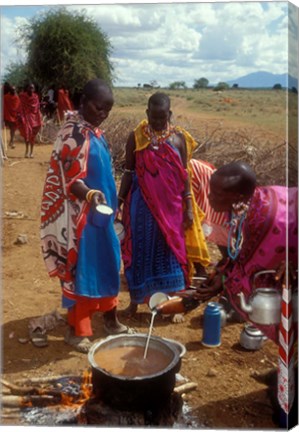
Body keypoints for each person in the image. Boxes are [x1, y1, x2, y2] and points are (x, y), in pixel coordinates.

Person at [194, 161, 298, 428]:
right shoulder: (241, 209)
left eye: (217, 194)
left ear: (240, 195)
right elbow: (238, 251)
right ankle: (287, 373)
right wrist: (222, 275)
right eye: (211, 190)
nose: (210, 198)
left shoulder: (274, 218)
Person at [40, 78, 130, 353]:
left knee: (109, 263)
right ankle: (76, 330)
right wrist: (91, 195)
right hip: (79, 220)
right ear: (82, 102)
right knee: (82, 271)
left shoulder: (94, 132)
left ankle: (111, 320)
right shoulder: (73, 134)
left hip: (100, 217)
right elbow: (71, 180)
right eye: (98, 107)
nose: (103, 114)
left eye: (108, 110)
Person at [118, 92, 210, 316]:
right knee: (138, 251)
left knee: (172, 252)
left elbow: (185, 175)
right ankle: (135, 301)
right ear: (147, 113)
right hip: (141, 206)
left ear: (169, 114)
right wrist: (119, 201)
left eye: (162, 117)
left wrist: (189, 206)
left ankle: (175, 303)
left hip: (172, 208)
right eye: (153, 117)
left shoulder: (179, 139)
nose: (158, 122)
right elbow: (129, 172)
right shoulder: (136, 137)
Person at [17, 82, 42, 158]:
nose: (31, 89)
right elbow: (20, 106)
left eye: (32, 88)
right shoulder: (22, 96)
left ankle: (31, 152)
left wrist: (39, 116)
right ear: (27, 88)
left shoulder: (36, 97)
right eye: (30, 88)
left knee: (32, 136)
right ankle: (26, 151)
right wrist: (20, 115)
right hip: (26, 117)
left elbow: (37, 108)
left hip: (34, 118)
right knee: (27, 134)